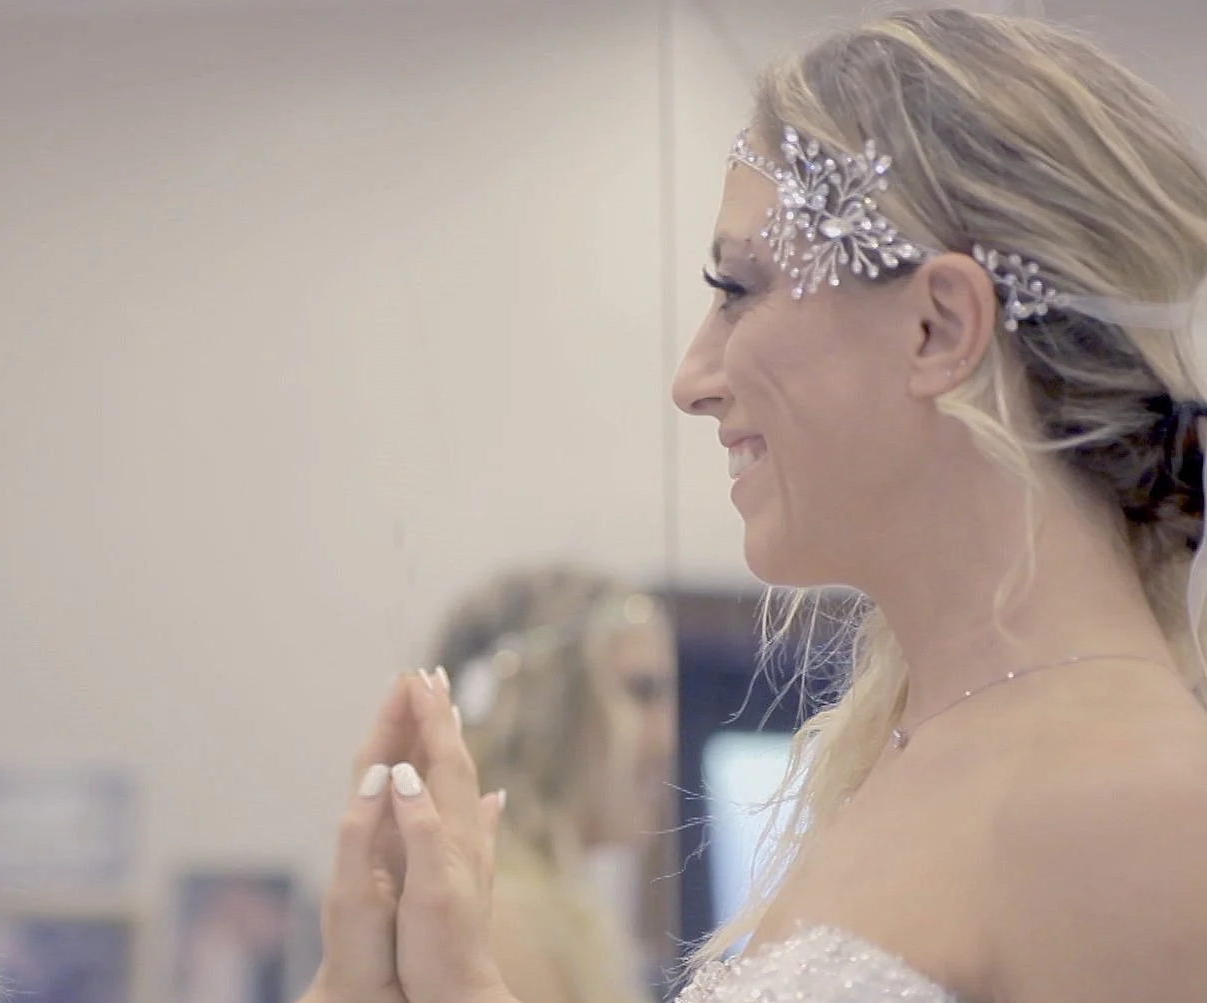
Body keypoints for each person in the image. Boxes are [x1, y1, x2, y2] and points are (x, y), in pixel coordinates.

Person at [315, 8, 1207, 1003]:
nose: (692, 379)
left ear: (938, 325)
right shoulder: (919, 748)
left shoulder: (1133, 801)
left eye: (737, 288)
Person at [432, 566, 673, 1003]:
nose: (666, 738)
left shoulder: (551, 918)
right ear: (546, 704)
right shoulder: (501, 931)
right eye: (641, 692)